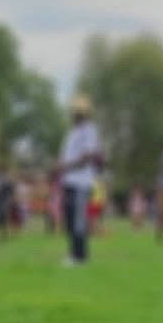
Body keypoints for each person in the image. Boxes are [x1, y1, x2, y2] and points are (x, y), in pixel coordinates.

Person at [57, 95, 103, 264]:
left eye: (76, 112)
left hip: (81, 181)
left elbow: (88, 156)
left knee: (78, 220)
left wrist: (67, 166)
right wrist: (62, 167)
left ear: (82, 113)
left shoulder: (89, 130)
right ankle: (74, 253)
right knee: (69, 219)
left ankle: (80, 256)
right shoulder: (72, 132)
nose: (74, 115)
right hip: (69, 180)